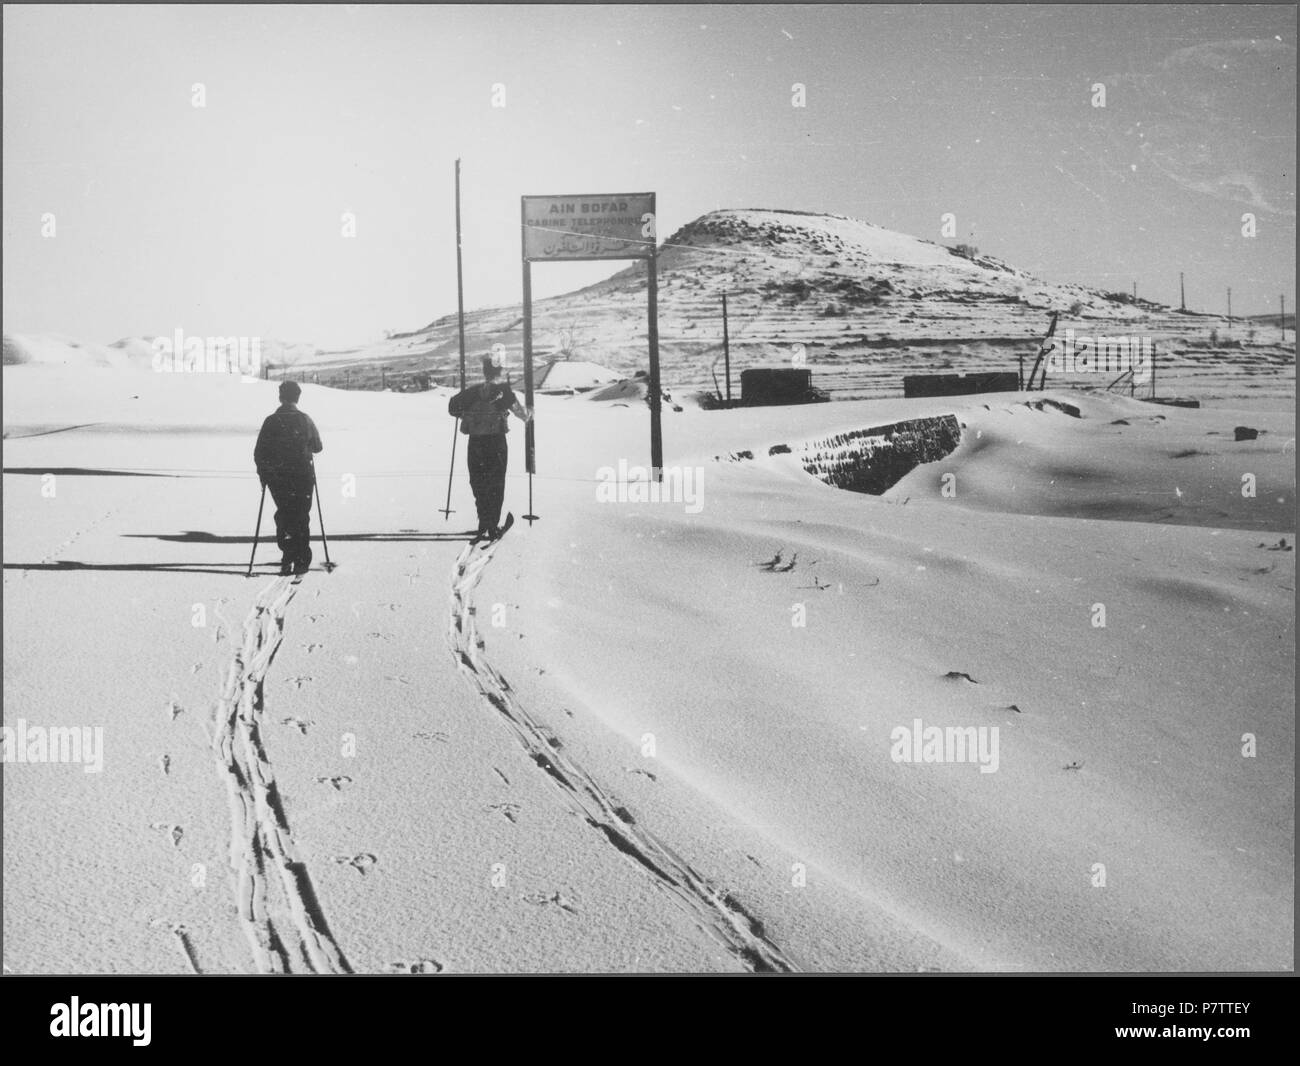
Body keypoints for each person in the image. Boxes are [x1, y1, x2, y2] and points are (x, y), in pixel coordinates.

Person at [447, 353, 532, 540]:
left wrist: (469, 416)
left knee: (478, 481)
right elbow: (522, 415)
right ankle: (492, 524)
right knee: (496, 483)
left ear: (484, 371)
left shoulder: (472, 392)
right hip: (496, 442)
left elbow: (453, 407)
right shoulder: (503, 391)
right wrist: (529, 413)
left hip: (476, 442)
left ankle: (483, 520)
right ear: (499, 372)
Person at [254, 380, 323, 575]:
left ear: (280, 397)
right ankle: (301, 559)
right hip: (303, 476)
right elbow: (318, 446)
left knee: (284, 514)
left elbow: (259, 452)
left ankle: (288, 556)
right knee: (301, 516)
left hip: (278, 478)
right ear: (297, 398)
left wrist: (264, 474)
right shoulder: (305, 419)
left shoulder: (271, 421)